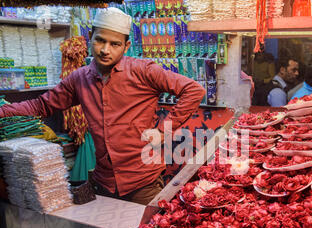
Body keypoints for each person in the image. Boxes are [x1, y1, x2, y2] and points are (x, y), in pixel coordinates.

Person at [0, 8, 206, 205]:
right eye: (100, 40)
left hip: (143, 184)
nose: (105, 50)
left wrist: (163, 131)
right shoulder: (79, 79)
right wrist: (3, 111)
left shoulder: (144, 71)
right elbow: (41, 105)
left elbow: (194, 90)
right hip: (104, 182)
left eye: (115, 44)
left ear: (126, 46)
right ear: (90, 36)